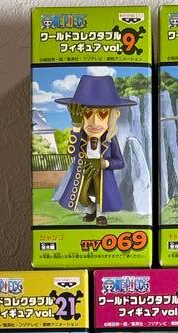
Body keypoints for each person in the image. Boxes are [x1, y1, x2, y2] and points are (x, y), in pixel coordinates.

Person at [55, 74, 136, 226]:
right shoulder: (81, 135)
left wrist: (103, 163)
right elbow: (71, 151)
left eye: (102, 114)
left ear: (114, 115)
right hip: (84, 170)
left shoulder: (110, 140)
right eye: (88, 113)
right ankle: (90, 209)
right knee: (81, 195)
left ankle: (100, 214)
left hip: (102, 172)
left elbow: (119, 162)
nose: (94, 122)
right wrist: (76, 127)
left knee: (102, 193)